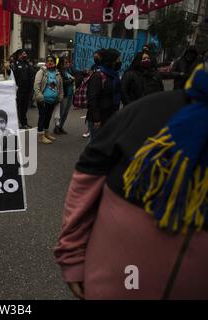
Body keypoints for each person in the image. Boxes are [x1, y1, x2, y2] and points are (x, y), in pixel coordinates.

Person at [54, 53, 208, 300]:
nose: (147, 60)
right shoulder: (150, 110)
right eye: (143, 57)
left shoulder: (144, 83)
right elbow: (88, 172)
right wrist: (72, 257)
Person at [86, 48, 122, 141]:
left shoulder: (114, 76)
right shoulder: (98, 76)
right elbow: (92, 99)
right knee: (95, 146)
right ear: (111, 61)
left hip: (109, 117)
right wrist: (96, 118)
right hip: (98, 119)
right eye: (117, 60)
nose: (119, 62)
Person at [33, 54, 64, 144]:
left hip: (53, 100)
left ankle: (46, 133)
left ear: (55, 62)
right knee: (42, 116)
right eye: (48, 61)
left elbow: (60, 87)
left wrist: (60, 97)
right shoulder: (41, 72)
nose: (50, 62)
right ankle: (41, 136)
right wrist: (40, 97)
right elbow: (36, 85)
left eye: (52, 61)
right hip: (43, 100)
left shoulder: (57, 73)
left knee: (48, 117)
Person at [12, 49, 35, 129]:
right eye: (23, 53)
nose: (25, 55)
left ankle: (24, 123)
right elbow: (12, 76)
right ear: (19, 55)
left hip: (27, 90)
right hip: (19, 90)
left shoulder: (27, 64)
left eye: (25, 53)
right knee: (19, 108)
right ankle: (20, 123)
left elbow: (32, 74)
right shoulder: (15, 64)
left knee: (25, 108)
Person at [54, 57, 75, 135]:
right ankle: (56, 127)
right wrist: (71, 80)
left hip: (70, 94)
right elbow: (61, 82)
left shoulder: (69, 70)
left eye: (68, 62)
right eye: (65, 62)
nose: (67, 64)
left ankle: (61, 126)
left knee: (66, 112)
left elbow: (77, 75)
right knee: (61, 112)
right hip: (63, 94)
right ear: (61, 63)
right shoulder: (59, 71)